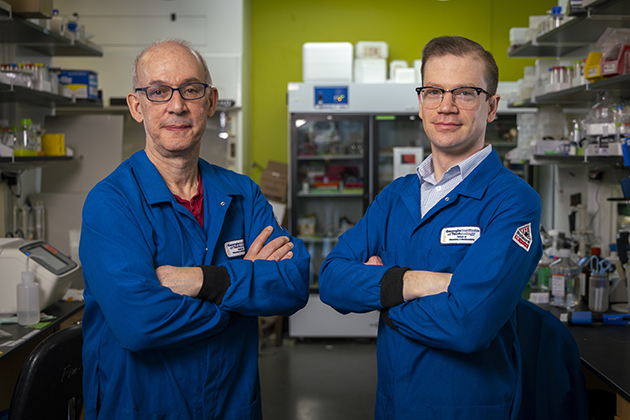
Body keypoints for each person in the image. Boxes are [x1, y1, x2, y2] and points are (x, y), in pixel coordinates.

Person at [79, 39, 309, 419]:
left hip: (231, 405)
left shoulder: (242, 194)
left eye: (190, 89)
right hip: (144, 408)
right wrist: (237, 305)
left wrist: (207, 282)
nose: (176, 105)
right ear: (137, 106)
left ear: (211, 100)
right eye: (157, 92)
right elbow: (139, 324)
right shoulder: (111, 203)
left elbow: (294, 282)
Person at [319, 35, 543, 420]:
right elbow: (331, 280)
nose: (447, 106)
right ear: (420, 103)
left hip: (469, 407)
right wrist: (417, 284)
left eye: (466, 93)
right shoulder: (395, 196)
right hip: (394, 403)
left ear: (491, 107)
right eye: (434, 91)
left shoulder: (512, 201)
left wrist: (383, 298)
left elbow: (469, 324)